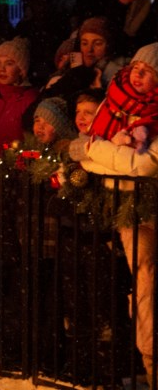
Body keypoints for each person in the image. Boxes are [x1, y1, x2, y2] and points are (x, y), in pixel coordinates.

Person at [69, 43, 158, 386]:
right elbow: (90, 159)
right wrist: (98, 150)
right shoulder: (114, 101)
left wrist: (94, 148)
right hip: (125, 208)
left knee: (148, 282)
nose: (138, 74)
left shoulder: (152, 114)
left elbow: (144, 164)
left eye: (148, 72)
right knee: (140, 284)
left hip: (147, 207)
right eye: (136, 66)